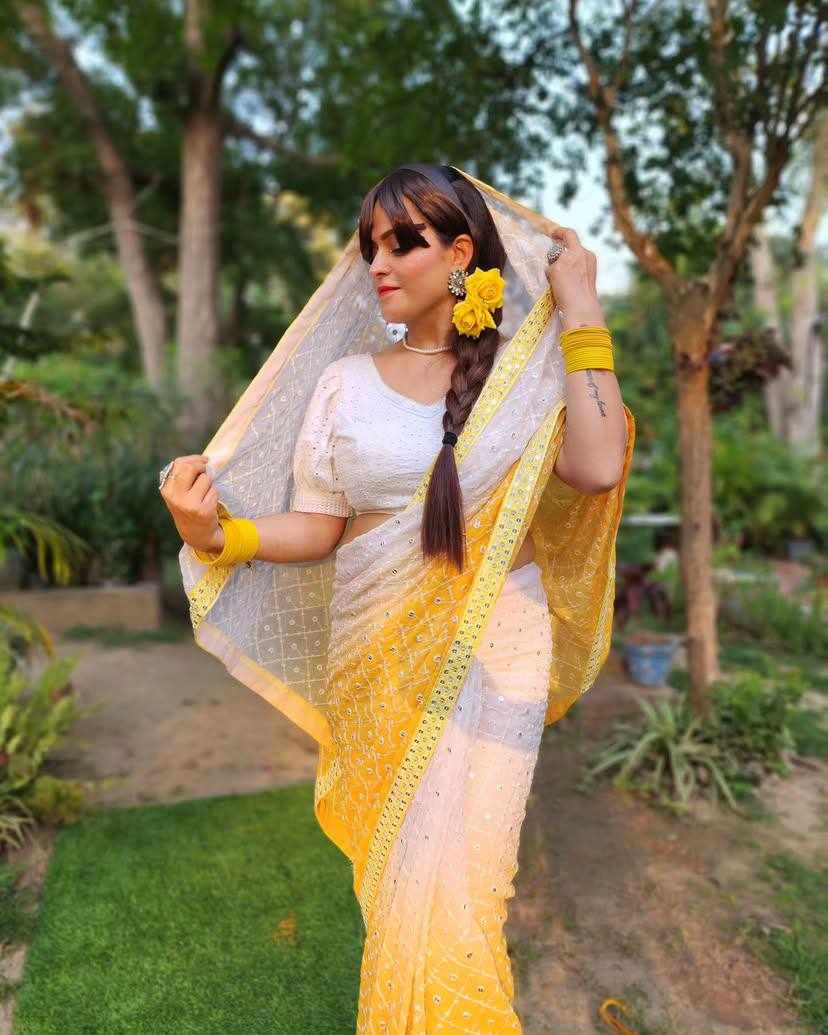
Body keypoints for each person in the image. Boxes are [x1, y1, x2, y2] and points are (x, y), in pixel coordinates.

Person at [160, 163, 635, 1033]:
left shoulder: (524, 379)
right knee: (399, 887)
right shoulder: (344, 382)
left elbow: (599, 466)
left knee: (471, 889)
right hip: (376, 654)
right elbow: (321, 524)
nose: (377, 264)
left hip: (500, 646)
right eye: (370, 246)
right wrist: (219, 535)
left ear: (460, 254)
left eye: (403, 243)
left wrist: (581, 306)